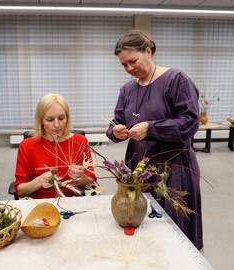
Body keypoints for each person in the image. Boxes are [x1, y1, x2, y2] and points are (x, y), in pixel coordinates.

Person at [106, 30, 203, 250]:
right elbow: (114, 123)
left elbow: (189, 122)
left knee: (176, 232)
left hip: (175, 169)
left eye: (133, 61)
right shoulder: (127, 90)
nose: (129, 69)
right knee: (141, 228)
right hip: (138, 171)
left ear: (148, 52)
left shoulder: (176, 80)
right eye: (124, 65)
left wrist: (151, 128)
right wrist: (116, 131)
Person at [15, 93, 96, 199]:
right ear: (41, 121)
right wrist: (38, 182)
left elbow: (92, 185)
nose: (57, 125)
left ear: (67, 118)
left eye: (61, 118)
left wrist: (81, 178)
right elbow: (20, 191)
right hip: (39, 205)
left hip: (72, 204)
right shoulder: (27, 146)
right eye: (50, 120)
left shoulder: (80, 142)